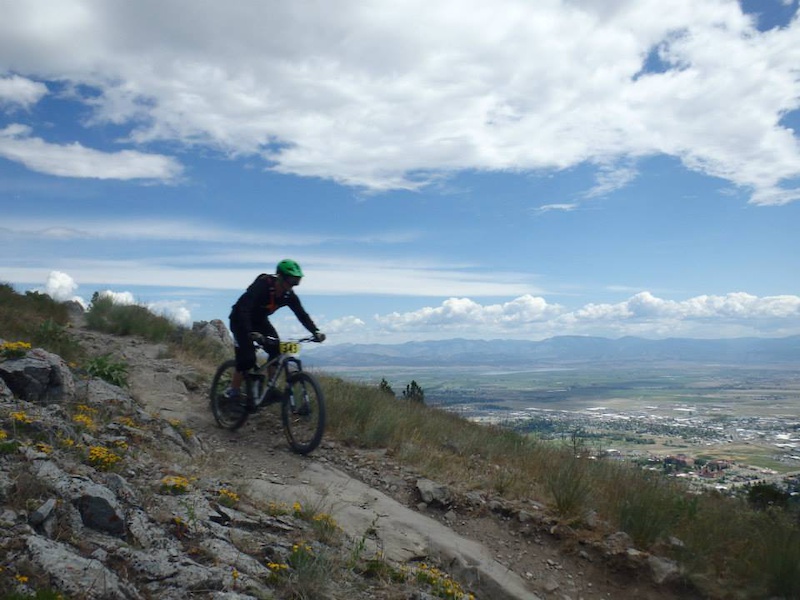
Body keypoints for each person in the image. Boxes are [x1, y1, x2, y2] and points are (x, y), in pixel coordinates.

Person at [226, 259, 325, 410]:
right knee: (247, 358)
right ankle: (232, 393)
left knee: (276, 348)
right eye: (291, 280)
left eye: (296, 282)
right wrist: (249, 333)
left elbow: (301, 314)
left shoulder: (288, 295)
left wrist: (315, 331)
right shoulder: (262, 286)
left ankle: (270, 390)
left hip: (259, 321)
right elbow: (244, 309)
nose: (292, 285)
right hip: (240, 319)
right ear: (280, 277)